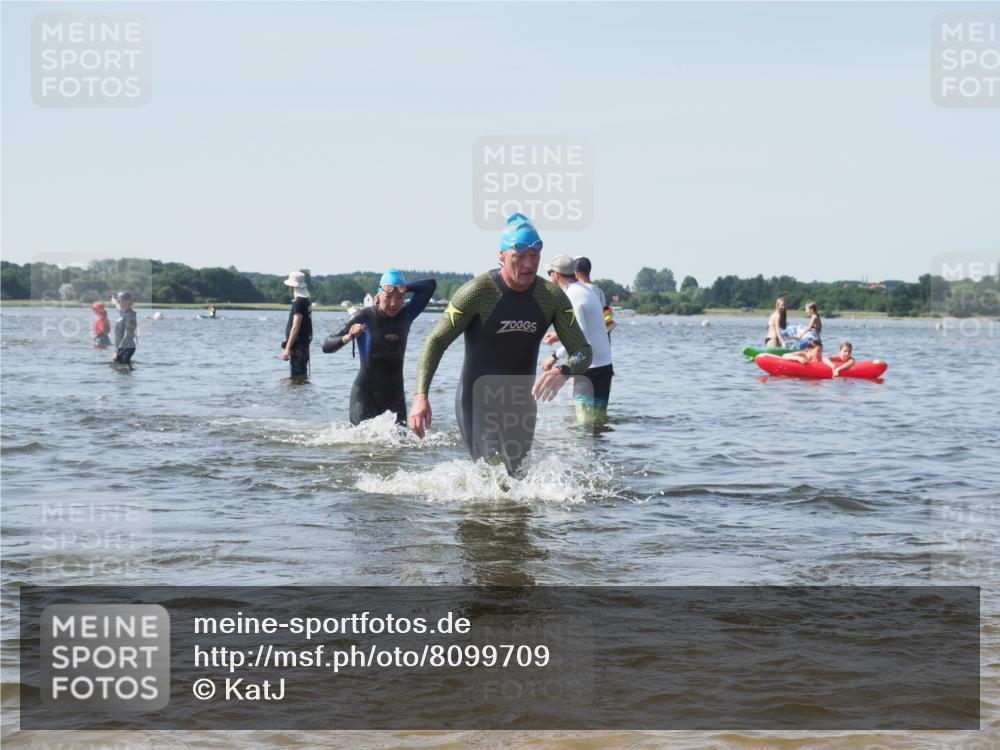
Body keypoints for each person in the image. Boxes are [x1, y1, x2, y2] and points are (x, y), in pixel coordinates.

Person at [408, 214, 593, 474]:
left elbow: (584, 352)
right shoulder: (478, 292)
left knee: (517, 478)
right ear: (502, 255)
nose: (529, 264)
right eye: (520, 256)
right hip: (477, 401)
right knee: (497, 474)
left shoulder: (551, 297)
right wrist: (420, 397)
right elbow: (436, 341)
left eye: (535, 255)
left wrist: (563, 371)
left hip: (521, 404)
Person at [323, 269, 436, 425]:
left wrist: (400, 287)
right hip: (365, 394)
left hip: (395, 395)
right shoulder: (363, 316)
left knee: (401, 444)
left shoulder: (407, 315)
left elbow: (430, 285)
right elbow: (326, 345)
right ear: (378, 295)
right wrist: (347, 337)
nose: (393, 303)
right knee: (361, 444)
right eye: (388, 297)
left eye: (400, 298)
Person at [541, 255, 614, 425]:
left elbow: (579, 336)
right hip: (604, 365)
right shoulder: (588, 290)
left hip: (589, 369)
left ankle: (581, 452)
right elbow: (598, 327)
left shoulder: (573, 295)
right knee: (598, 423)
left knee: (584, 425)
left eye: (550, 274)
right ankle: (601, 451)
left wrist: (555, 356)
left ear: (555, 275)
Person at [281, 271, 313, 380]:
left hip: (298, 346)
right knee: (301, 378)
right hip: (304, 345)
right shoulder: (306, 301)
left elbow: (296, 326)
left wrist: (288, 348)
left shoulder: (299, 302)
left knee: (296, 378)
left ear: (292, 287)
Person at [575, 256, 616, 335]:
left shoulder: (578, 291)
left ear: (576, 273)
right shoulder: (600, 292)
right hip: (601, 340)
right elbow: (609, 321)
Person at [111, 292, 137, 366]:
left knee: (123, 367)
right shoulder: (122, 311)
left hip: (127, 347)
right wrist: (113, 296)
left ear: (127, 301)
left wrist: (116, 351)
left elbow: (126, 334)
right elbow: (115, 303)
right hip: (122, 347)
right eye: (118, 300)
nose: (118, 302)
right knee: (119, 366)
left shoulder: (130, 315)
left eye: (120, 300)